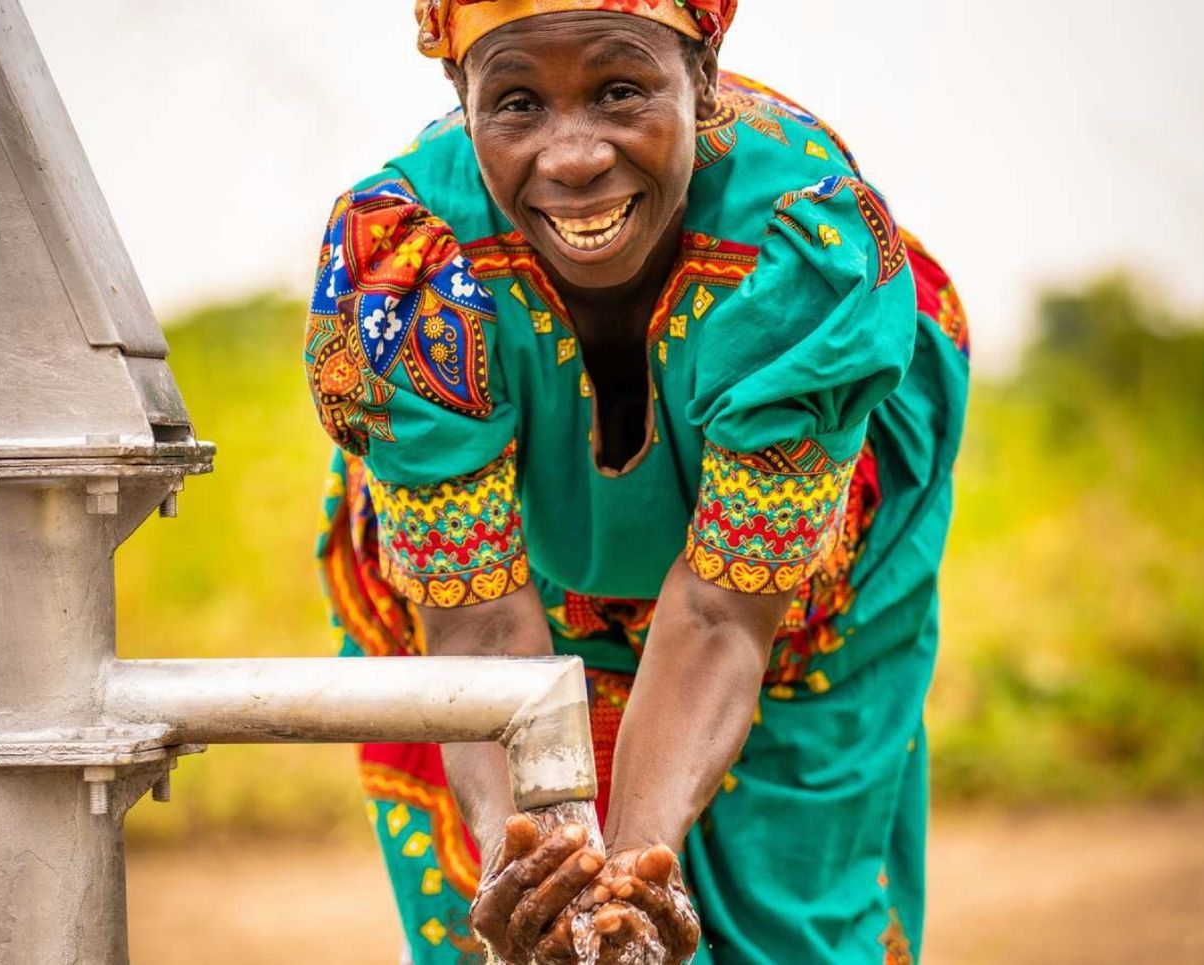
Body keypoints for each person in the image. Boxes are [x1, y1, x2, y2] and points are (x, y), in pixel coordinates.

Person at [304, 1, 969, 961]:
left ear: (703, 80)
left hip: (789, 579)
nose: (572, 156)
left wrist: (637, 865)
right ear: (460, 97)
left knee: (792, 919)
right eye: (518, 103)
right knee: (511, 926)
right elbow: (480, 621)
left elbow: (722, 611)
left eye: (622, 90)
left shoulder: (800, 247)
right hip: (497, 573)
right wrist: (527, 858)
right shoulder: (404, 267)